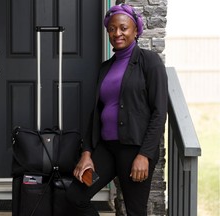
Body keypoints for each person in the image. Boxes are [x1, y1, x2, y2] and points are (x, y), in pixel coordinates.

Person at [66, 3, 168, 216]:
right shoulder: (106, 67)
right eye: (112, 29)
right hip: (105, 151)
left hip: (134, 152)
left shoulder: (149, 62)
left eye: (123, 28)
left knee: (135, 211)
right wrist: (86, 154)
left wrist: (145, 156)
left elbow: (159, 112)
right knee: (76, 195)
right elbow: (95, 114)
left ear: (136, 30)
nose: (117, 33)